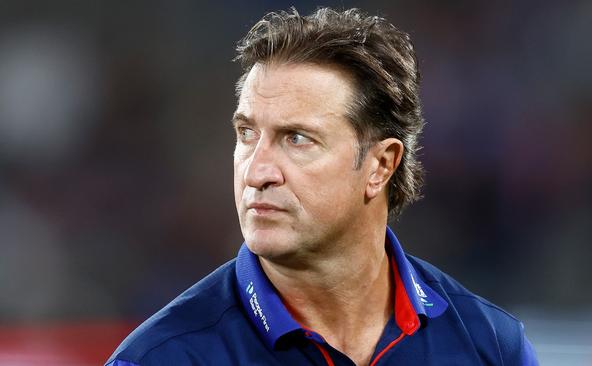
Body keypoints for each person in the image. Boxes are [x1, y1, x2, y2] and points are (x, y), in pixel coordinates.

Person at [106, 7, 538, 366]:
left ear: (380, 165)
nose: (258, 173)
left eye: (297, 139)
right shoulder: (161, 358)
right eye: (247, 135)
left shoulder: (491, 347)